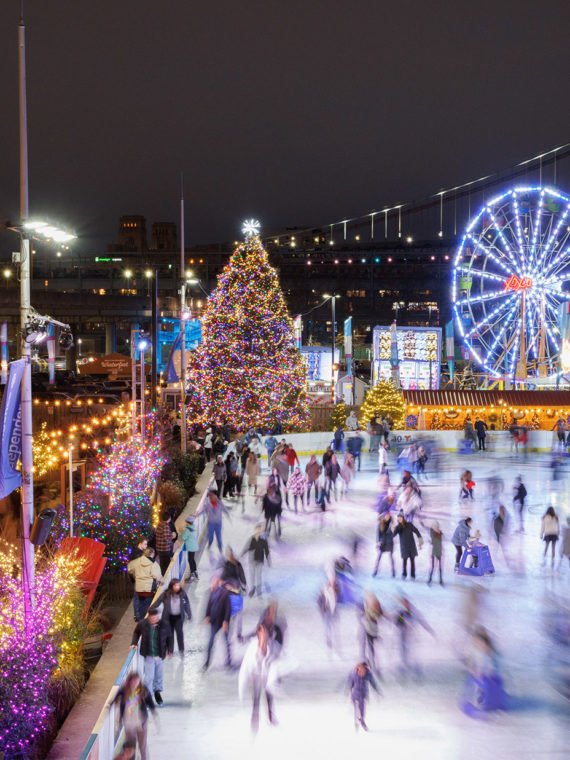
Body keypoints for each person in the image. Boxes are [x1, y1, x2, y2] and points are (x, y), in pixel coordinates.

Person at [238, 623, 278, 733]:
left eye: (265, 633)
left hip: (264, 677)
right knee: (256, 702)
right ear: (258, 634)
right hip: (254, 677)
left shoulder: (270, 647)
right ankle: (254, 729)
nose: (264, 635)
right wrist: (242, 690)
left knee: (269, 696)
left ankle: (271, 718)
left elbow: (273, 665)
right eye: (262, 633)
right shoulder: (252, 648)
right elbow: (246, 667)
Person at [112, 673, 155, 760]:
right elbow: (115, 697)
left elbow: (151, 703)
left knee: (142, 746)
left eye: (137, 682)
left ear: (139, 682)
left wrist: (155, 716)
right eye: (133, 682)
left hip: (141, 724)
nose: (134, 684)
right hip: (129, 724)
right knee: (130, 748)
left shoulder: (143, 690)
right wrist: (110, 705)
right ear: (129, 682)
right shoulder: (124, 691)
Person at [130, 608, 168, 705]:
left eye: (156, 617)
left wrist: (170, 649)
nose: (154, 619)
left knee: (159, 676)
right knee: (149, 677)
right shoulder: (142, 624)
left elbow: (169, 636)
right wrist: (134, 643)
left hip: (160, 655)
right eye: (152, 617)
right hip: (149, 656)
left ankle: (157, 693)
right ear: (149, 617)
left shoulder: (163, 624)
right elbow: (136, 632)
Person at [155, 578, 192, 656]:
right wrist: (151, 609)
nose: (178, 587)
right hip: (168, 618)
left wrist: (189, 613)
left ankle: (181, 650)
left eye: (178, 585)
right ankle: (170, 651)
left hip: (178, 618)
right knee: (170, 635)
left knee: (180, 634)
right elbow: (157, 602)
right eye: (176, 585)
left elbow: (186, 603)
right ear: (172, 586)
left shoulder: (182, 593)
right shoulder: (166, 594)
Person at [203, 576, 232, 670]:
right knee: (210, 643)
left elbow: (228, 609)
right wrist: (207, 616)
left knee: (226, 642)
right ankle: (207, 663)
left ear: (218, 583)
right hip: (214, 622)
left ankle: (228, 661)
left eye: (214, 583)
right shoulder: (212, 592)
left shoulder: (225, 593)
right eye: (212, 583)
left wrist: (226, 621)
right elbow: (209, 604)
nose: (212, 585)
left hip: (223, 622)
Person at [128, 548, 163, 622]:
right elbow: (157, 576)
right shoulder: (153, 563)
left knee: (140, 603)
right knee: (148, 604)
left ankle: (139, 618)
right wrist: (160, 581)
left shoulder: (137, 561)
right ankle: (146, 621)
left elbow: (129, 568)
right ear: (152, 554)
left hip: (139, 588)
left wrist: (135, 575)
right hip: (149, 589)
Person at [347, 662, 380, 731]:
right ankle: (356, 723)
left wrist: (377, 691)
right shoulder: (353, 674)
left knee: (362, 709)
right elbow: (350, 684)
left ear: (365, 668)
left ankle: (362, 720)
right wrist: (348, 693)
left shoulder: (368, 675)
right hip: (355, 694)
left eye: (363, 669)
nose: (362, 671)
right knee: (356, 709)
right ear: (358, 668)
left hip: (363, 694)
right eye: (360, 669)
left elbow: (373, 683)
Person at [242, 523, 271, 596]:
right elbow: (246, 548)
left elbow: (267, 551)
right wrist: (241, 555)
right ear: (256, 530)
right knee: (252, 575)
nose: (260, 531)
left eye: (261, 530)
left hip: (260, 560)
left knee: (258, 576)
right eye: (259, 529)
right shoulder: (251, 539)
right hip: (252, 560)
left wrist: (268, 560)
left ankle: (258, 590)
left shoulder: (263, 540)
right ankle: (252, 589)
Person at [393, 513, 423, 579]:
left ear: (403, 518)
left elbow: (416, 531)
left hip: (411, 545)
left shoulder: (409, 525)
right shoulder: (398, 527)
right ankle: (404, 574)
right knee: (404, 561)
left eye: (401, 517)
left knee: (412, 561)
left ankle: (413, 575)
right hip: (404, 547)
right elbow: (393, 535)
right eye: (399, 518)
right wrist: (393, 529)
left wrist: (420, 540)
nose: (400, 519)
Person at [359, 591, 383, 673]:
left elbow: (377, 616)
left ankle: (372, 666)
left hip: (371, 630)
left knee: (370, 648)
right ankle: (367, 665)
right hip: (367, 629)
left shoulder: (374, 608)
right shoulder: (366, 608)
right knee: (365, 647)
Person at [317, 574, 338, 649]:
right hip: (326, 610)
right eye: (331, 582)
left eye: (333, 582)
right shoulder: (325, 590)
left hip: (331, 611)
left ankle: (330, 639)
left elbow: (335, 602)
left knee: (332, 626)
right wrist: (322, 609)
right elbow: (319, 600)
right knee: (327, 626)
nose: (332, 583)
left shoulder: (335, 590)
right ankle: (328, 640)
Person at [155, 511, 177, 575]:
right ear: (168, 518)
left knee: (162, 563)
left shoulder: (159, 524)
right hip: (164, 549)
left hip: (159, 548)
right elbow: (166, 538)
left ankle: (162, 575)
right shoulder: (166, 526)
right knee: (166, 564)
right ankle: (166, 577)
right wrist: (172, 536)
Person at [180, 515, 199, 580]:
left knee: (190, 560)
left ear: (188, 522)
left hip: (190, 547)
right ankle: (195, 571)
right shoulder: (193, 527)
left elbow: (183, 537)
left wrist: (181, 533)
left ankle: (192, 573)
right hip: (194, 546)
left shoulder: (188, 529)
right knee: (192, 559)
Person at [427, 520, 444, 586]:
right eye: (436, 528)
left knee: (440, 568)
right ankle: (430, 579)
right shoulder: (433, 534)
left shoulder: (440, 535)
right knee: (433, 567)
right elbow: (431, 531)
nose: (437, 529)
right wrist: (433, 526)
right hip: (434, 553)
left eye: (438, 528)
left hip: (439, 553)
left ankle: (441, 580)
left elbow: (438, 538)